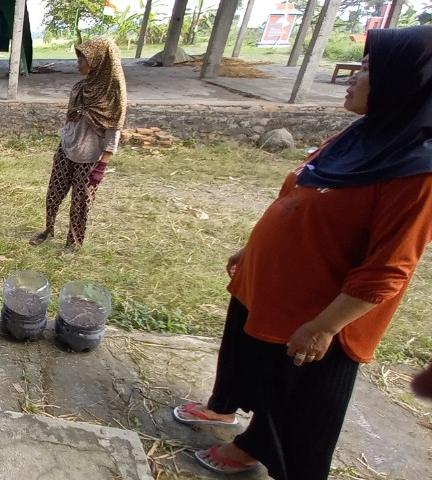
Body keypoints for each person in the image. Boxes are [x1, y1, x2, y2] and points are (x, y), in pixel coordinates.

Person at [171, 26, 432, 479]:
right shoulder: (360, 136)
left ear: (404, 82)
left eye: (368, 69)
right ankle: (225, 408)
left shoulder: (416, 172)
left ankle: (257, 448)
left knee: (295, 390)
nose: (352, 76)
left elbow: (390, 266)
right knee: (247, 359)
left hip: (316, 309)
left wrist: (324, 327)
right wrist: (253, 248)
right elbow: (301, 193)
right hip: (270, 287)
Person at [29, 36, 127, 253]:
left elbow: (113, 130)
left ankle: (73, 243)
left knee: (80, 204)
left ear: (99, 61)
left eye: (83, 58)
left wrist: (102, 165)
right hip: (66, 149)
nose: (78, 62)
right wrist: (64, 138)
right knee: (54, 193)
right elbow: (71, 118)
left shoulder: (112, 96)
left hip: (89, 159)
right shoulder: (81, 87)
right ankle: (48, 229)